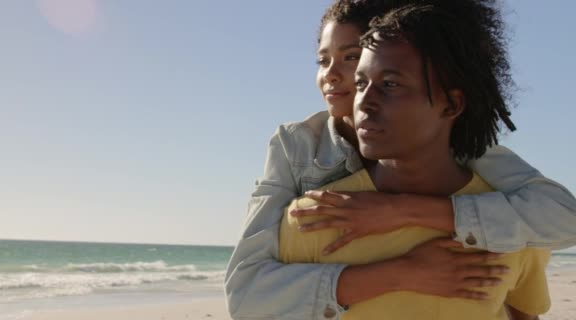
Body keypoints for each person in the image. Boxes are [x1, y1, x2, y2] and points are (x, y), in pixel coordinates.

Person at [224, 0, 576, 319]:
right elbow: (247, 294)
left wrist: (399, 211)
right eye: (322, 59)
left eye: (351, 56)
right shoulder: (300, 160)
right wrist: (406, 272)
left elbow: (559, 222)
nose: (332, 73)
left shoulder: (468, 155)